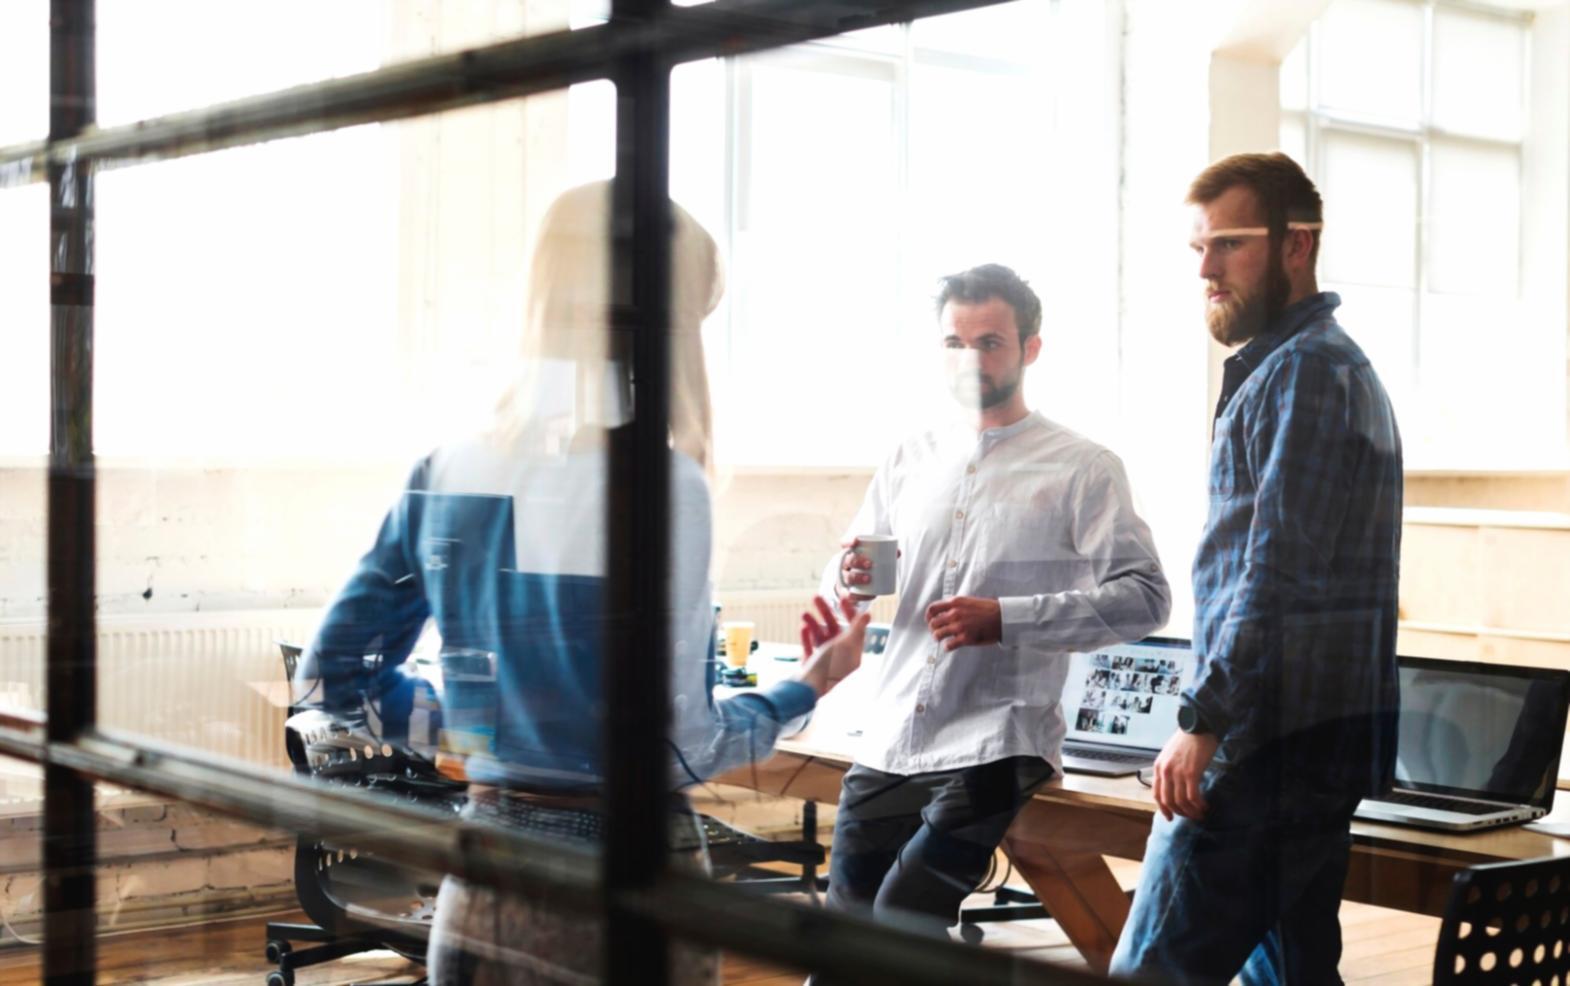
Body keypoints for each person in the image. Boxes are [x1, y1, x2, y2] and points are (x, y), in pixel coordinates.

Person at [294, 181, 871, 986]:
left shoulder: (448, 469)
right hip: (628, 885)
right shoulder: (664, 488)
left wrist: (479, 737)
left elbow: (329, 673)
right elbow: (681, 746)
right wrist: (809, 684)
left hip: (485, 876)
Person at [1109, 152, 1402, 985]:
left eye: (1229, 244)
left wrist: (1204, 720)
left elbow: (1279, 572)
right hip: (1315, 746)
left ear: (1296, 245)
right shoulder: (1320, 367)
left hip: (1263, 751)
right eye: (1198, 247)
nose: (1205, 267)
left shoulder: (1305, 373)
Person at [818, 263, 1172, 950]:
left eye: (990, 342)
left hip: (1000, 741)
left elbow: (1146, 598)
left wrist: (1006, 618)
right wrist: (849, 573)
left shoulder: (1083, 467)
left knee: (901, 918)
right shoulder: (907, 457)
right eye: (956, 342)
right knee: (842, 925)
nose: (970, 358)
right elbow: (850, 571)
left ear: (1029, 349)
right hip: (894, 732)